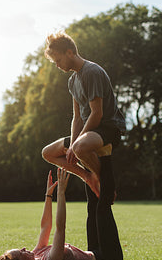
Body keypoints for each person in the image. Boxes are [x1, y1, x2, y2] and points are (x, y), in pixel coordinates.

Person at [41, 31, 126, 198]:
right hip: (88, 132)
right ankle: (89, 177)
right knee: (48, 153)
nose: (57, 65)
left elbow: (97, 113)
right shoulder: (72, 81)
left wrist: (75, 145)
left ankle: (105, 182)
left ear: (70, 52)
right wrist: (72, 143)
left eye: (58, 60)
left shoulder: (91, 72)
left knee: (79, 148)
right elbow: (77, 117)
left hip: (107, 127)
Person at [0, 168, 123, 260]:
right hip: (107, 259)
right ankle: (104, 156)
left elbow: (45, 227)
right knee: (101, 208)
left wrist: (48, 195)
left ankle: (89, 157)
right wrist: (61, 192)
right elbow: (60, 228)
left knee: (92, 204)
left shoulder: (37, 253)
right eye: (21, 252)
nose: (24, 248)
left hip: (93, 250)